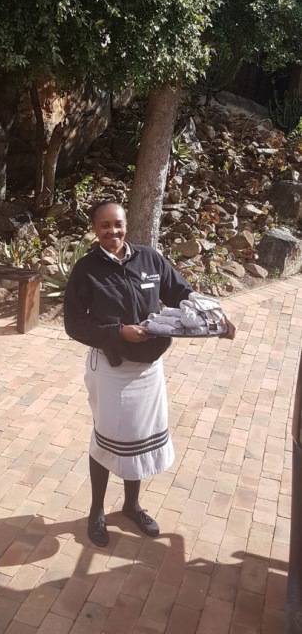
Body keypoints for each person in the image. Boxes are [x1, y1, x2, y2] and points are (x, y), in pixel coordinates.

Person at [63, 198, 233, 548]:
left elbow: (182, 293)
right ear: (94, 229)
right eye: (105, 225)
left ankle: (132, 506)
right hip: (111, 368)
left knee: (138, 438)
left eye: (118, 224)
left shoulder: (150, 260)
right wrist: (117, 333)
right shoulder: (86, 270)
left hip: (149, 369)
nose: (113, 231)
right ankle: (96, 511)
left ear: (126, 225)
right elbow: (74, 324)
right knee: (106, 440)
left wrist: (215, 320)